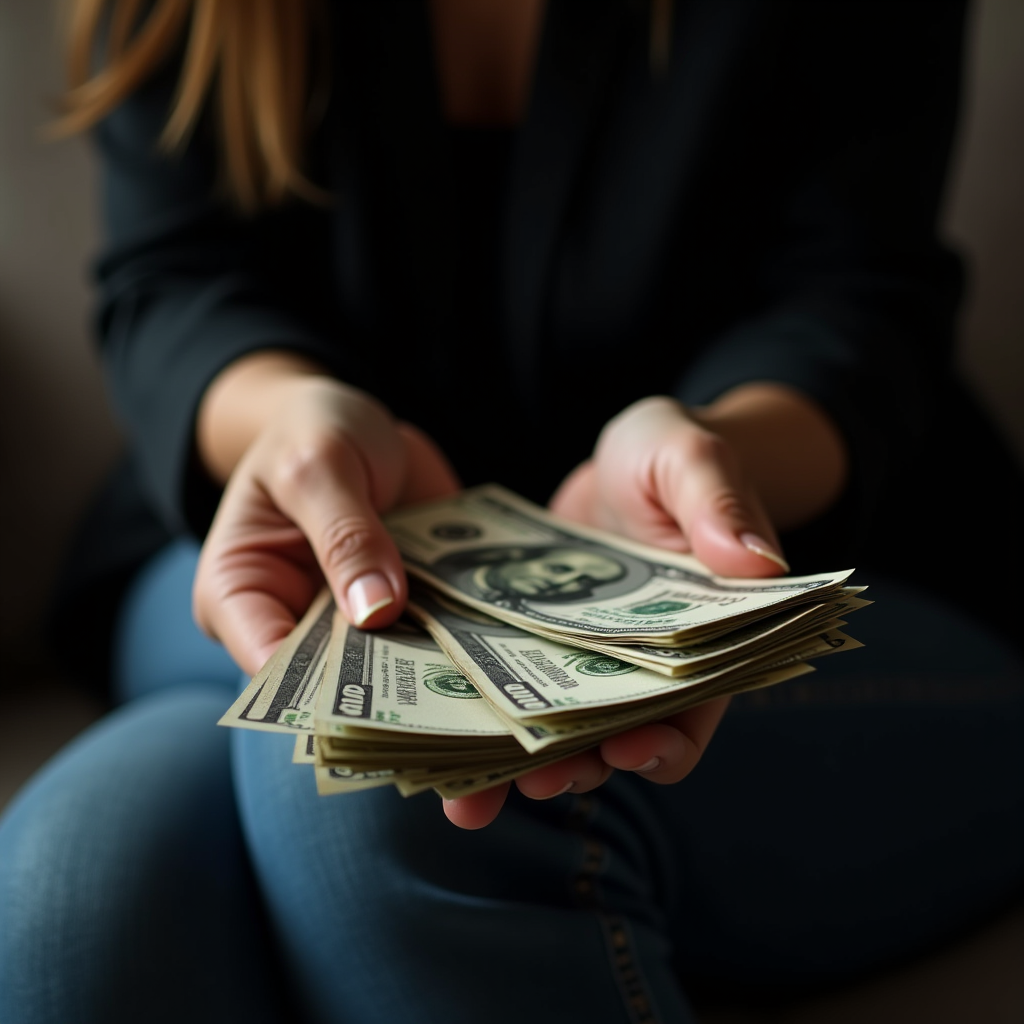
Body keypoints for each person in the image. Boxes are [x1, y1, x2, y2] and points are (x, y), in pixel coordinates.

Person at [1, 2, 1022, 1022]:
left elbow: (857, 291)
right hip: (268, 539)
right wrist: (287, 420)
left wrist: (717, 455)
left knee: (370, 786)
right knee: (68, 903)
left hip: (825, 555)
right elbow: (170, 274)